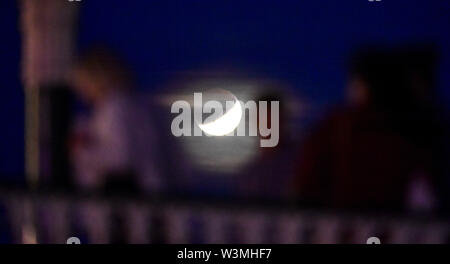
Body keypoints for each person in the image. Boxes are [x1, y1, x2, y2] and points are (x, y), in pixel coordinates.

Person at [293, 48, 445, 212]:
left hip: (335, 227)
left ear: (361, 84)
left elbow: (306, 184)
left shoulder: (336, 127)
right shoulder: (411, 132)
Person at [70, 47, 162, 194]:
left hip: (127, 196)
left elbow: (121, 158)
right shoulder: (127, 105)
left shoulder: (115, 107)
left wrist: (80, 149)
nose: (80, 90)